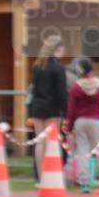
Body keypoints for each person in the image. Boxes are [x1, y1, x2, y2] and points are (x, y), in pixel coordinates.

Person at [64, 57, 99, 190]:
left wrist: (69, 127)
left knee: (82, 151)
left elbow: (71, 109)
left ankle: (84, 181)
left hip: (80, 122)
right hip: (96, 121)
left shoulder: (77, 87)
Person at [28, 33, 68, 179]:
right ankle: (52, 175)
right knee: (52, 142)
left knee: (40, 142)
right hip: (52, 108)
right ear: (58, 49)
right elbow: (61, 93)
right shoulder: (58, 68)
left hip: (38, 107)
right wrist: (66, 111)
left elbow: (35, 89)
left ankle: (40, 175)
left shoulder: (38, 66)